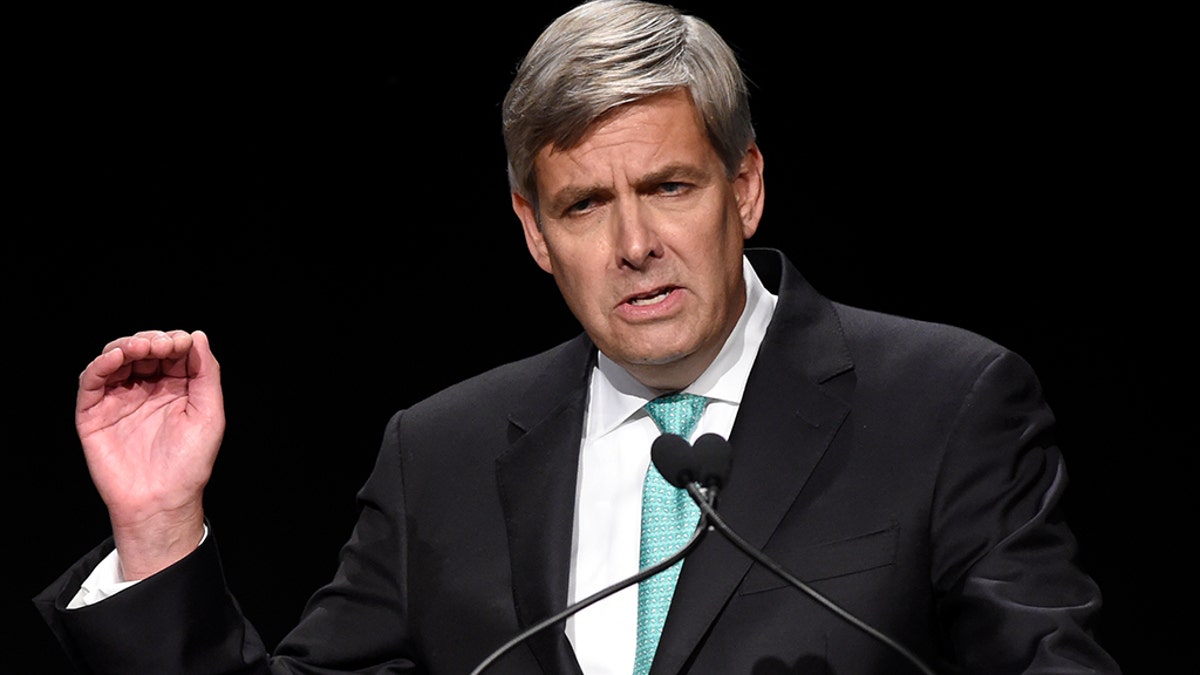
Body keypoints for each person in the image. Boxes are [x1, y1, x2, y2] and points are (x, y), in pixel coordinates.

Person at [34, 0, 1120, 672]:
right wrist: (162, 527)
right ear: (533, 231)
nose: (636, 241)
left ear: (745, 189)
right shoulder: (441, 456)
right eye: (585, 205)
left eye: (669, 185)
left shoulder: (941, 402)